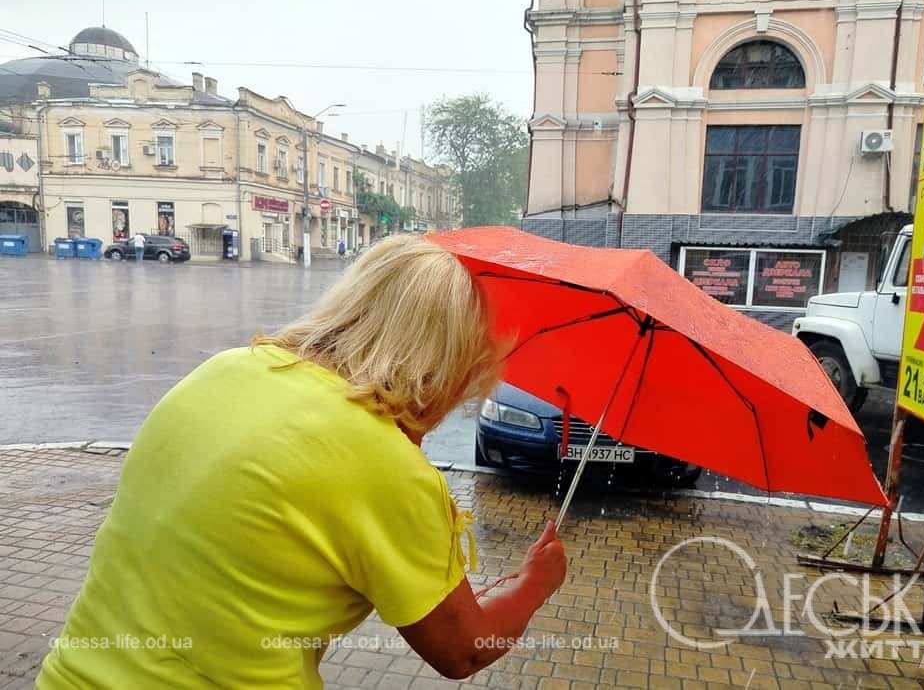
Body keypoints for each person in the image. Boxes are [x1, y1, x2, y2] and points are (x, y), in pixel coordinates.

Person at [36, 235, 567, 688]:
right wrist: (536, 582)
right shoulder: (385, 465)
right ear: (447, 364)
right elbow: (464, 649)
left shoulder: (228, 368)